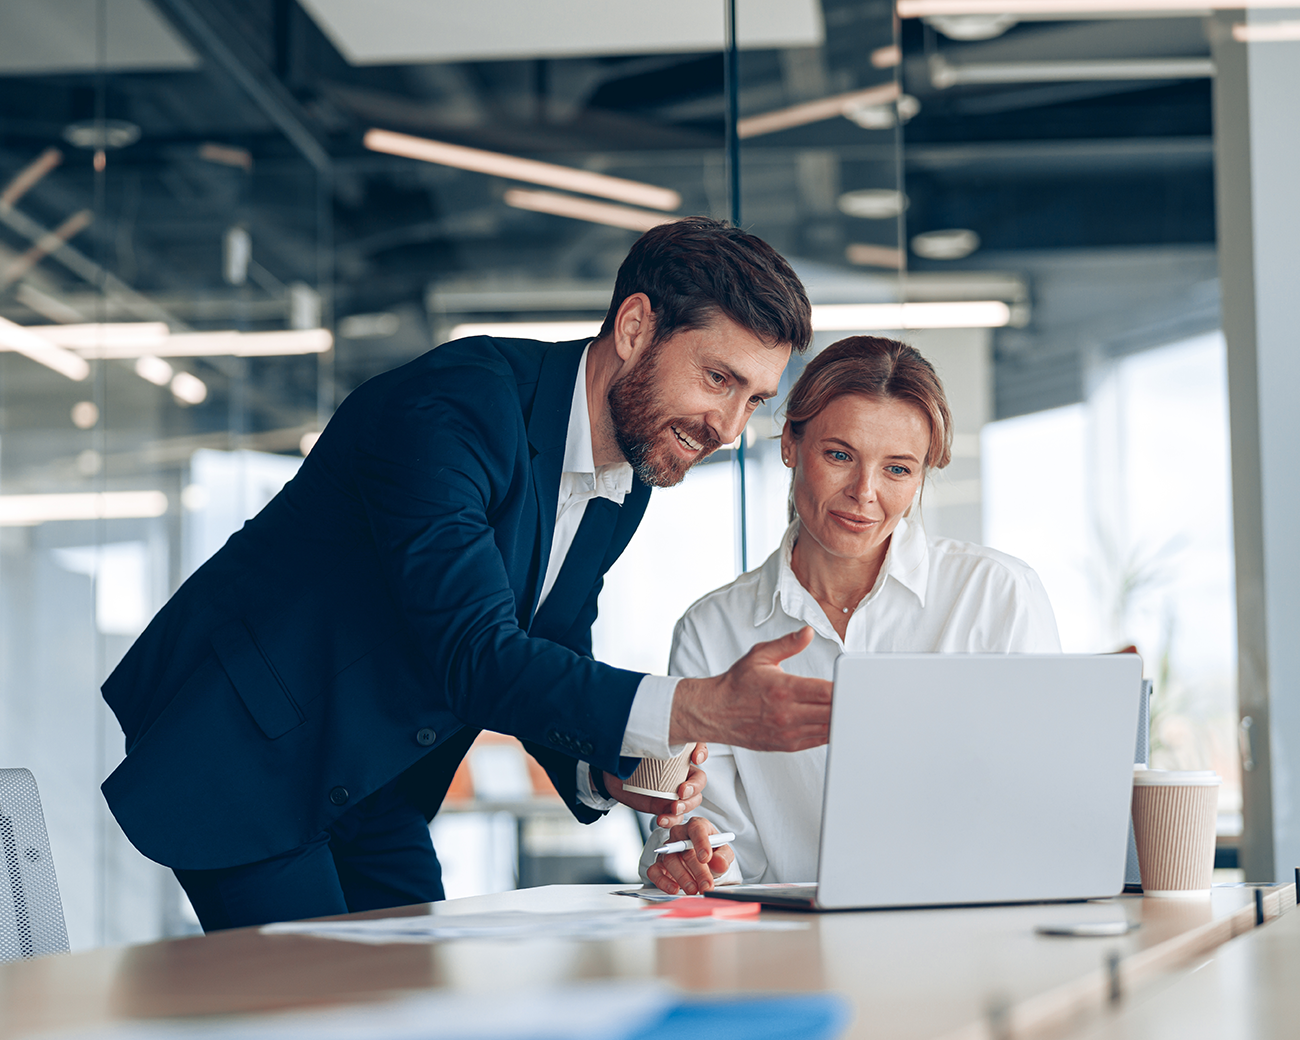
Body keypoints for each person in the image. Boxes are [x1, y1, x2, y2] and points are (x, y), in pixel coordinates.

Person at [100, 217, 833, 931]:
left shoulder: (627, 472)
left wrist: (611, 769)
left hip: (373, 777)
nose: (730, 427)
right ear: (635, 327)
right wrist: (696, 707)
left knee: (418, 1002)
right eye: (717, 378)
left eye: (755, 399)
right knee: (314, 1012)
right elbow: (475, 652)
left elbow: (549, 636)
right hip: (249, 750)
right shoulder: (457, 405)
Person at [641, 336, 1061, 895]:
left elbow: (1045, 802)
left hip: (968, 936)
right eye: (839, 455)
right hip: (788, 954)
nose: (865, 493)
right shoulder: (713, 630)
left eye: (898, 470)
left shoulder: (997, 595)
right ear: (791, 442)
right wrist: (691, 852)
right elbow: (708, 836)